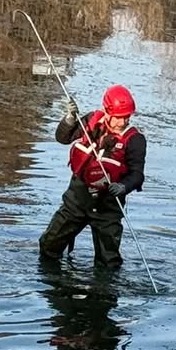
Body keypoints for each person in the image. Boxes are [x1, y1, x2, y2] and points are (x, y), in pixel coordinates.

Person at [38, 85, 146, 270]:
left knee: (108, 263)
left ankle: (103, 292)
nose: (123, 121)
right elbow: (63, 138)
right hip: (76, 201)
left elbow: (137, 175)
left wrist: (123, 187)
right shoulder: (91, 121)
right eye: (119, 117)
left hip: (108, 207)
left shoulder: (135, 140)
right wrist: (69, 119)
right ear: (107, 112)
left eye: (127, 116)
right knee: (48, 246)